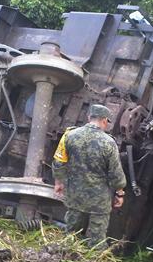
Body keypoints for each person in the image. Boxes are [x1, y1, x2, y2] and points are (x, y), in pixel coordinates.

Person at [52, 104, 127, 249]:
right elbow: (116, 174)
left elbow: (59, 162)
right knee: (97, 241)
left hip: (75, 195)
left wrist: (58, 182)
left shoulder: (69, 135)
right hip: (99, 202)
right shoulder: (109, 143)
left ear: (88, 117)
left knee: (70, 235)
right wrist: (120, 193)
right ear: (105, 121)